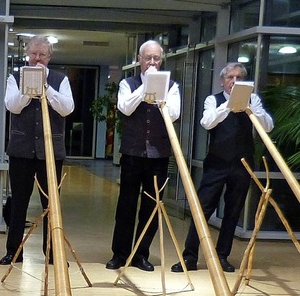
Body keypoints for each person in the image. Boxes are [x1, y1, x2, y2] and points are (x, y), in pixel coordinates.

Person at [172, 62, 274, 273]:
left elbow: (268, 126)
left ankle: (222, 256)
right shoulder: (213, 99)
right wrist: (229, 105)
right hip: (216, 164)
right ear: (223, 81)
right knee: (202, 209)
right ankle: (190, 257)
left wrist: (250, 108)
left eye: (238, 78)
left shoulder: (253, 100)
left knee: (233, 211)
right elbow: (207, 122)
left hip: (242, 165)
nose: (234, 81)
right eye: (230, 78)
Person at [106, 40, 181, 272]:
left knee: (151, 207)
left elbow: (175, 113)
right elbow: (125, 108)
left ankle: (141, 254)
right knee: (126, 205)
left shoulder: (173, 85)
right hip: (132, 153)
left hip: (158, 156)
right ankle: (120, 254)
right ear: (139, 59)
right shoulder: (128, 83)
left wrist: (159, 89)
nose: (152, 62)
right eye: (148, 58)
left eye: (156, 58)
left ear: (162, 59)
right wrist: (147, 86)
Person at [0, 35, 74, 265]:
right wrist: (29, 88)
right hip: (21, 151)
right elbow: (12, 105)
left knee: (51, 204)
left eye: (42, 55)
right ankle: (14, 251)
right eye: (33, 54)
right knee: (18, 203)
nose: (37, 59)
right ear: (27, 55)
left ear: (49, 57)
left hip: (51, 152)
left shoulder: (60, 80)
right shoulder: (15, 77)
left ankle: (52, 252)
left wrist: (46, 89)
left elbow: (67, 108)